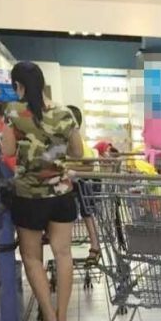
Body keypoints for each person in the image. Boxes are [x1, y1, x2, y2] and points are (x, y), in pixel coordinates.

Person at [0, 61, 83, 321]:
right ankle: (62, 317)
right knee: (63, 254)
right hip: (61, 193)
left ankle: (49, 320)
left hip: (29, 196)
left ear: (18, 85)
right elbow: (77, 152)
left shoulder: (13, 111)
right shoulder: (64, 113)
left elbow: (8, 150)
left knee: (32, 257)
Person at [67, 105, 102, 267]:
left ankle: (95, 245)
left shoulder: (79, 143)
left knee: (86, 209)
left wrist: (68, 168)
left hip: (88, 183)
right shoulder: (62, 144)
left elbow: (90, 167)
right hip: (73, 184)